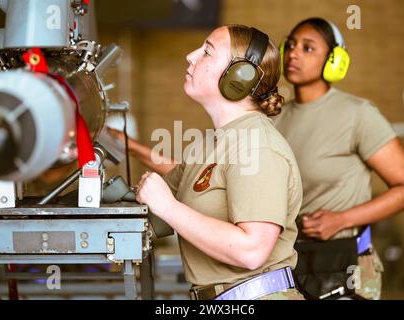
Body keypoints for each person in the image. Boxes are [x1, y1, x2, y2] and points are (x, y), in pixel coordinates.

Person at [112, 25, 304, 300]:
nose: (191, 56)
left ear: (239, 76)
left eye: (207, 52)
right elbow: (149, 211)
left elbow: (251, 251)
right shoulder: (208, 144)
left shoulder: (257, 146)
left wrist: (167, 206)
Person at [274, 17, 404, 300]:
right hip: (287, 261)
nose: (293, 53)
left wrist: (342, 219)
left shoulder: (358, 114)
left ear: (335, 61)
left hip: (344, 262)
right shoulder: (273, 119)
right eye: (290, 45)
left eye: (308, 48)